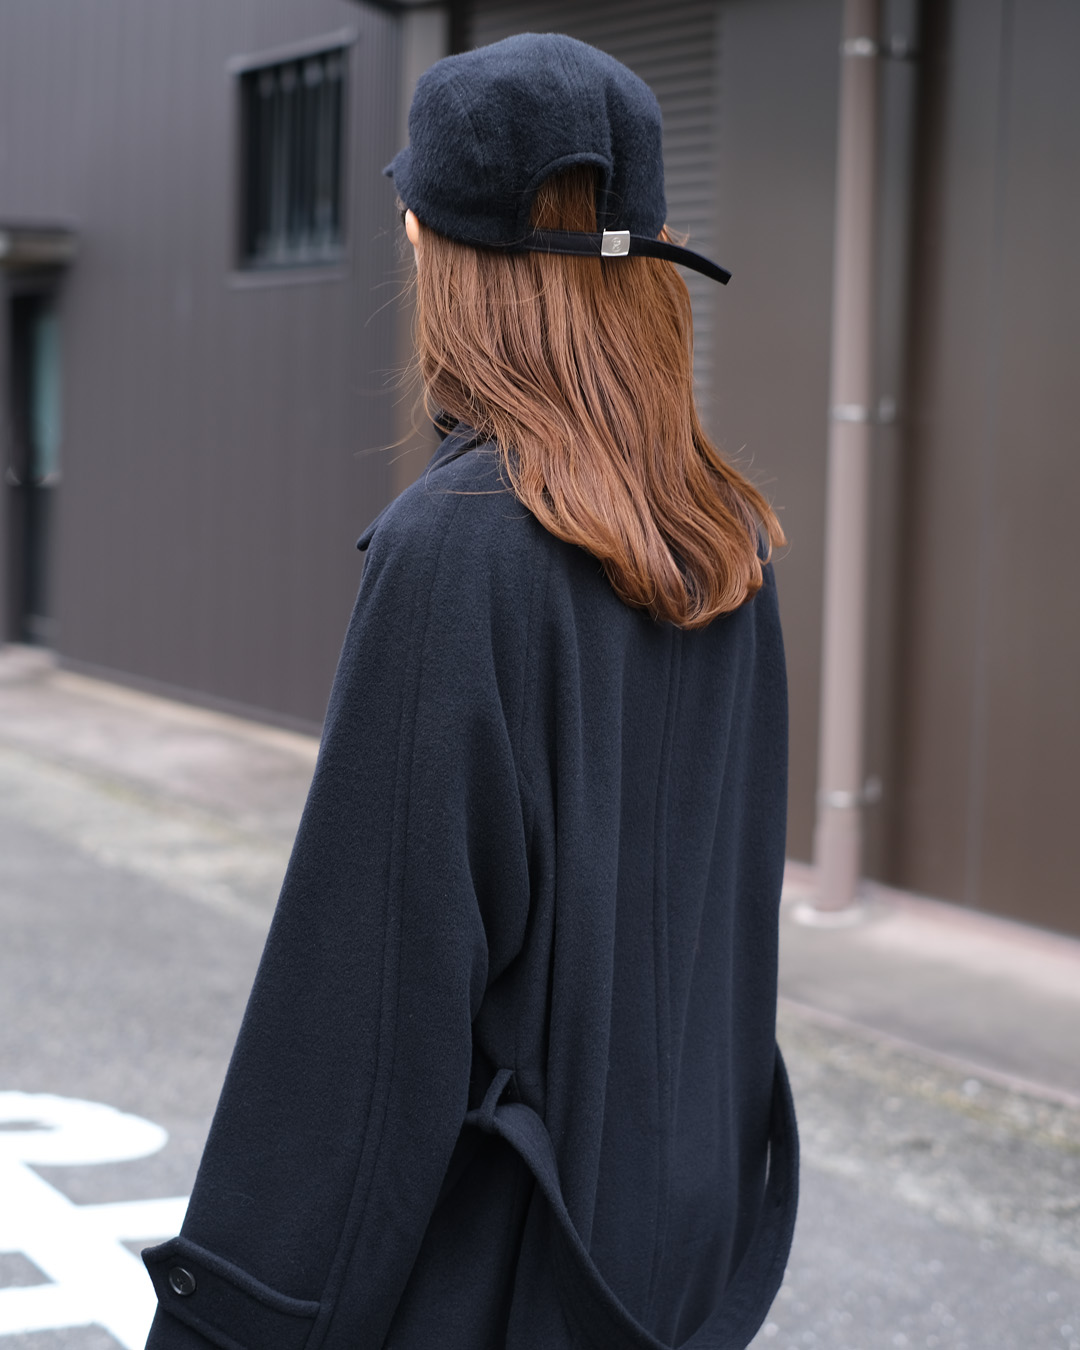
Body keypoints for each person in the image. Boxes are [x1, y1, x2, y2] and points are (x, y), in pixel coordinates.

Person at [141, 32, 797, 1350]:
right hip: (663, 1264)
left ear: (435, 251)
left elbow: (361, 1027)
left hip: (498, 1279)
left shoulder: (456, 554)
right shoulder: (725, 543)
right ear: (653, 258)